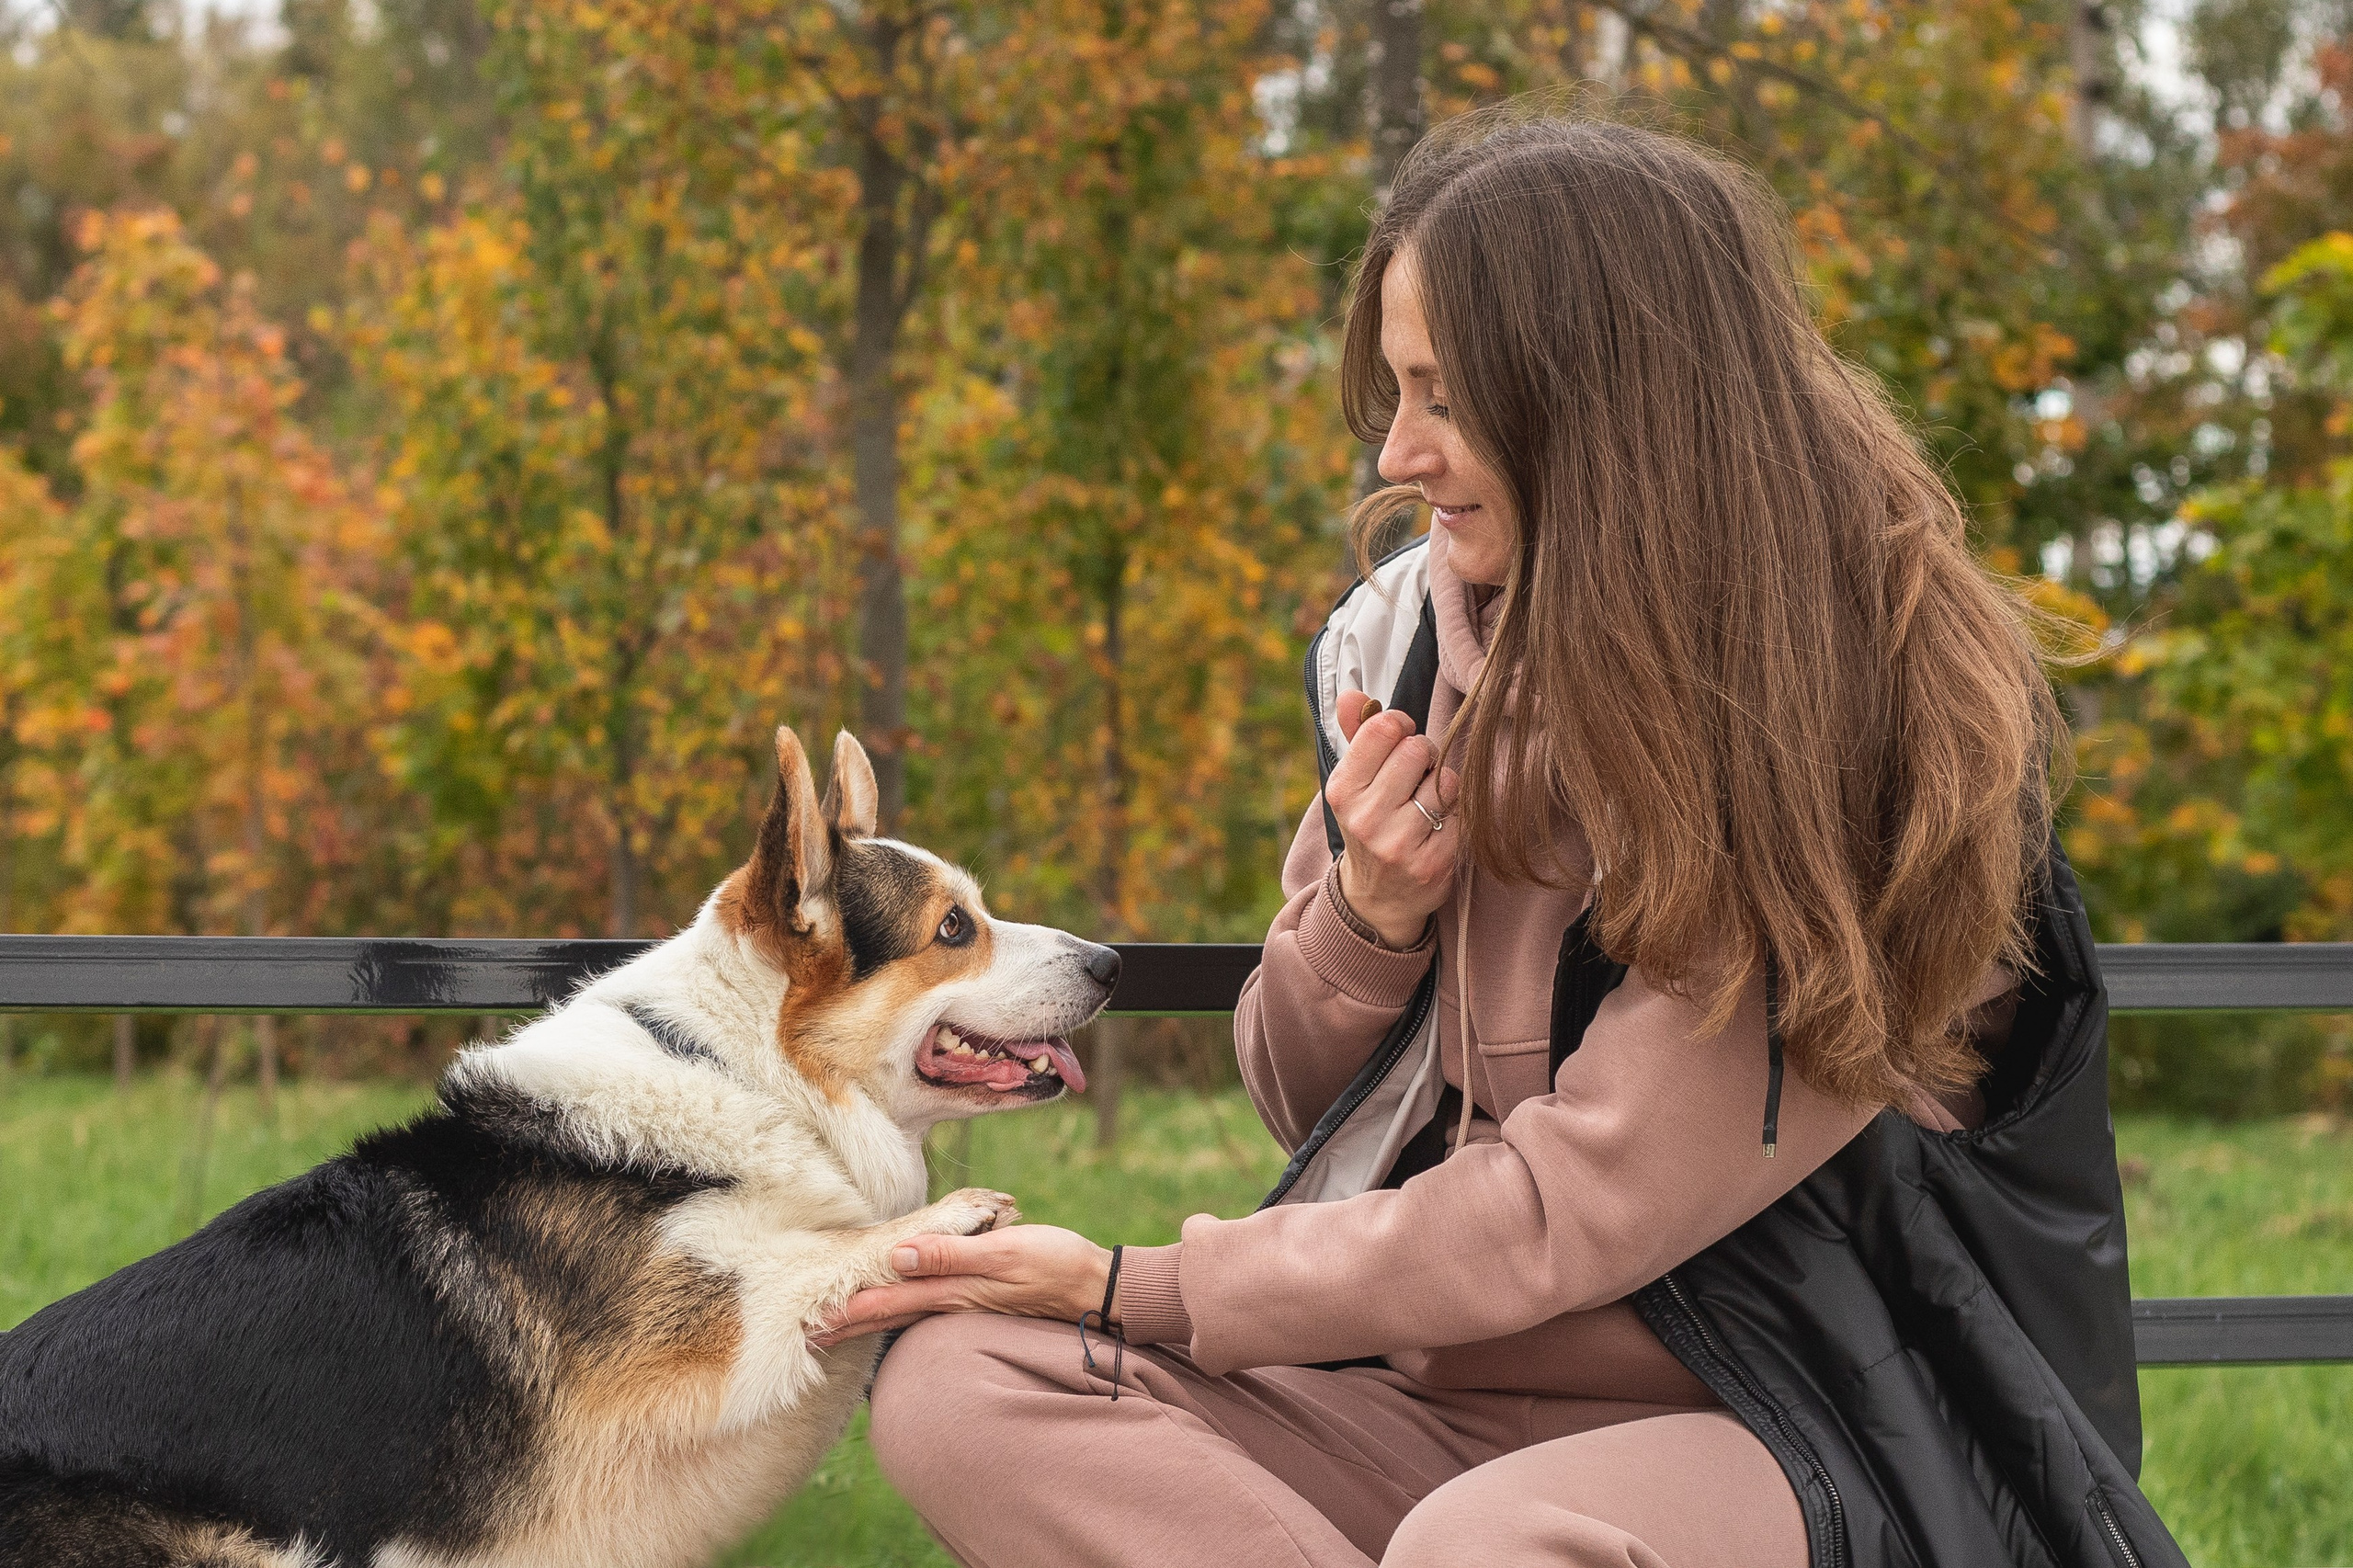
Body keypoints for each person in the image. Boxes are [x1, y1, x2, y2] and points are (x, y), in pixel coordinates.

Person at [827, 108, 2187, 1568]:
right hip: (1442, 1388)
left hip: (1820, 1426)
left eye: (1446, 397)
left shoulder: (1848, 713)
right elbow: (1305, 1107)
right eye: (1397, 392)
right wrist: (1367, 917)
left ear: (1603, 405)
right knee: (963, 1383)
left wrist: (1130, 1284)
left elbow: (1571, 1206)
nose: (1400, 451)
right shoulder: (1413, 642)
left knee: (1486, 1546)